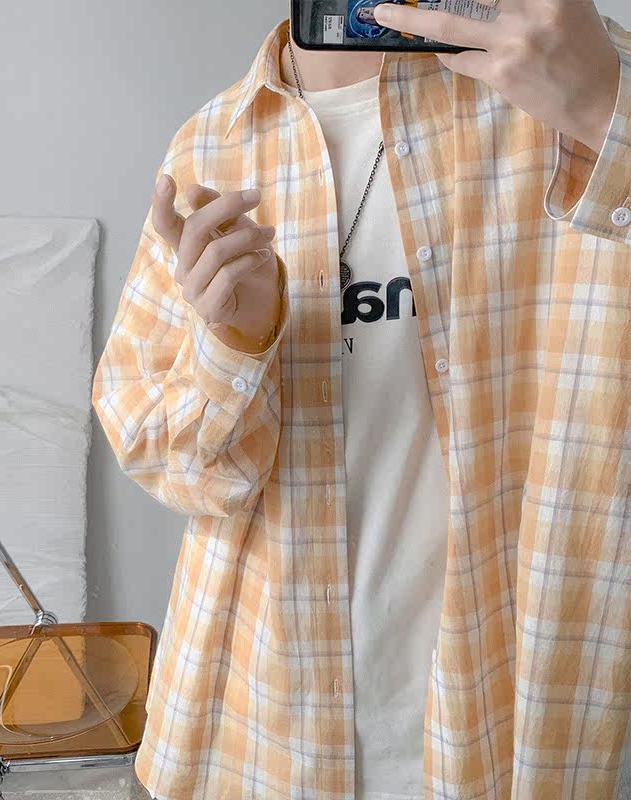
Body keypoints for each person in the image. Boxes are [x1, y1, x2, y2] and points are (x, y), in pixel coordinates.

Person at [92, 2, 631, 798]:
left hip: (508, 719)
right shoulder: (215, 143)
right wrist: (235, 344)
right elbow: (171, 461)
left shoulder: (570, 71)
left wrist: (604, 109)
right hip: (257, 723)